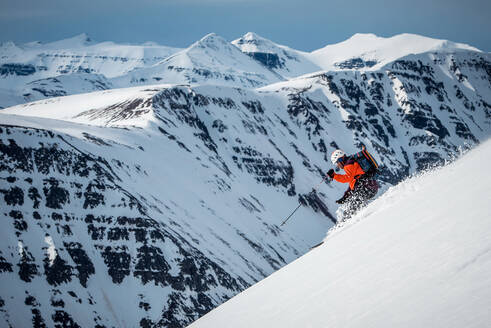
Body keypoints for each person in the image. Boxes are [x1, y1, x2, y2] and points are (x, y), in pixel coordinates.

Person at [326, 149, 379, 221]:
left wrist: (334, 176)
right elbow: (353, 184)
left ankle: (347, 226)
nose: (337, 165)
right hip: (369, 187)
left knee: (350, 213)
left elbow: (347, 178)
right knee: (353, 209)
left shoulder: (348, 164)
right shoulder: (351, 161)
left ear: (340, 159)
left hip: (366, 187)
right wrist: (345, 197)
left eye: (336, 163)